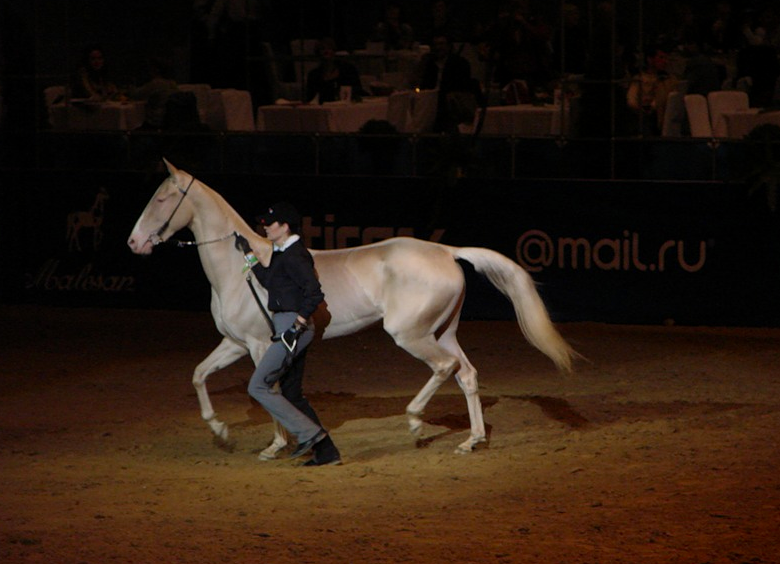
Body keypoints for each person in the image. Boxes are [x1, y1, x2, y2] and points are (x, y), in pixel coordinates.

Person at [236, 202, 341, 467]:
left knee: (258, 385)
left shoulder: (296, 255)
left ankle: (309, 434)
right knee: (292, 393)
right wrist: (248, 253)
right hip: (286, 326)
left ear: (284, 227)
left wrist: (297, 326)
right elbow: (268, 280)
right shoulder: (283, 253)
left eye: (270, 224)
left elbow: (314, 292)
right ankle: (326, 452)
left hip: (292, 329)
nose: (265, 227)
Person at [411, 32, 479, 132]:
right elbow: (423, 84)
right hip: (430, 103)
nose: (438, 47)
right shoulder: (429, 64)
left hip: (451, 104)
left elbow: (461, 87)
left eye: (441, 44)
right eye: (435, 44)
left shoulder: (459, 63)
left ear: (448, 46)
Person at [626, 45, 680, 136]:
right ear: (650, 60)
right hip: (643, 119)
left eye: (666, 58)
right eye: (661, 58)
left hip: (662, 120)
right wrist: (640, 108)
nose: (665, 62)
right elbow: (631, 99)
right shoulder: (639, 78)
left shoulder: (669, 80)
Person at [305, 37, 365, 104]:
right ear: (318, 53)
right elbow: (310, 97)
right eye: (322, 49)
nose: (326, 51)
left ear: (334, 51)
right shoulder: (314, 75)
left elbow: (357, 90)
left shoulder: (348, 70)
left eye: (329, 48)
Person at [128, 57, 179, 130]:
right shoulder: (173, 83)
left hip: (157, 120)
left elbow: (135, 95)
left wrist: (131, 84)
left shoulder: (156, 83)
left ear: (156, 69)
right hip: (171, 120)